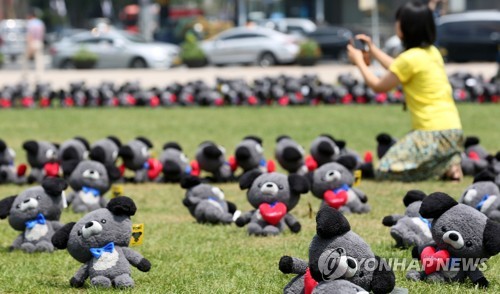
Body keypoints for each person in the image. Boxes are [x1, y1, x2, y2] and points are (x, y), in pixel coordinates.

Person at [347, 0, 463, 182]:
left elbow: (379, 86)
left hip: (431, 134)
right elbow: (397, 68)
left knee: (385, 170)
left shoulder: (409, 59)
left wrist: (359, 61)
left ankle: (443, 165)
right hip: (453, 131)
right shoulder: (432, 52)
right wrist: (374, 50)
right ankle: (447, 161)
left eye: (399, 20)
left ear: (407, 27)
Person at [24, 10, 46, 80]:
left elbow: (29, 34)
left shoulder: (30, 23)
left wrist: (29, 43)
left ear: (31, 16)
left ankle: (25, 74)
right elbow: (42, 33)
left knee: (25, 59)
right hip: (39, 42)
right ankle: (39, 75)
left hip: (32, 42)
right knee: (39, 59)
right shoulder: (40, 23)